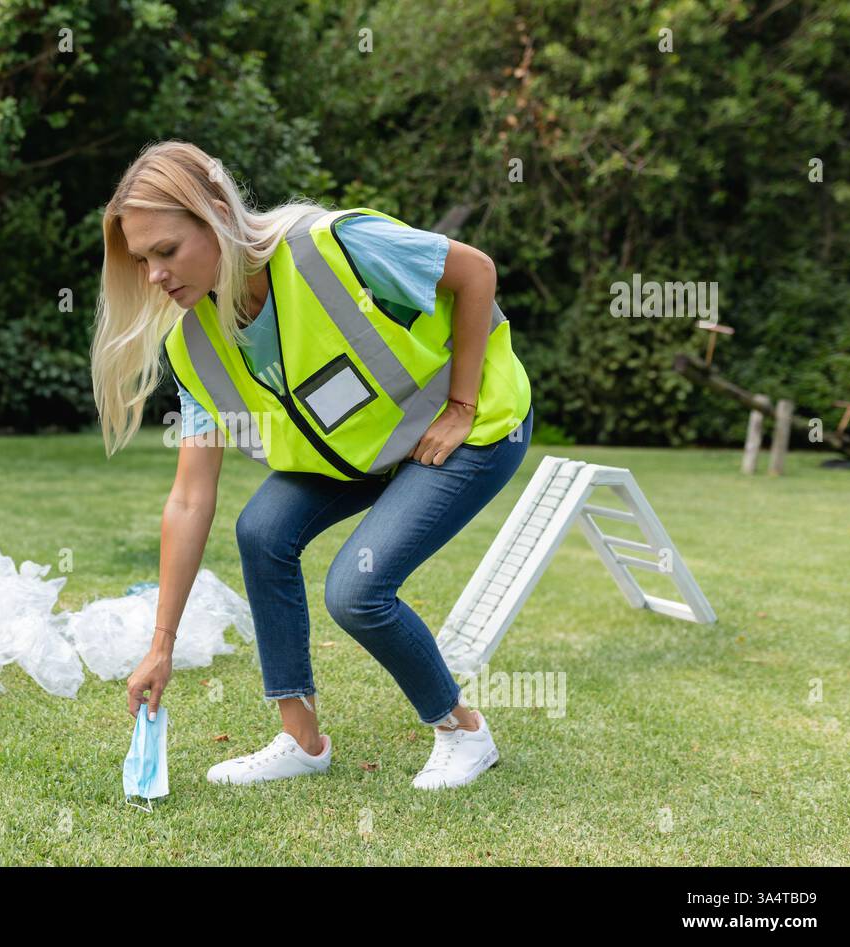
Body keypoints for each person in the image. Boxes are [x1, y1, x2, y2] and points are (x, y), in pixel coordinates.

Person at [90, 140, 532, 790]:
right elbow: (189, 500)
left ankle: (462, 732)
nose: (154, 275)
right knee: (262, 531)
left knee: (357, 591)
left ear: (217, 213)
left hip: (474, 428)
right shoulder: (194, 348)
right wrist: (161, 646)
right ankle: (302, 740)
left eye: (167, 250)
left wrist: (462, 404)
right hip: (365, 451)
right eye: (142, 260)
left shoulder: (336, 245)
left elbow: (474, 271)